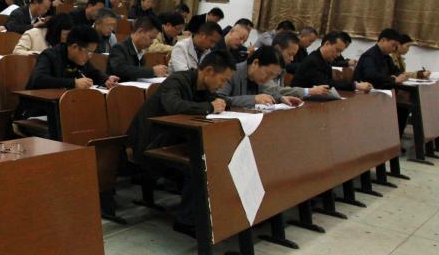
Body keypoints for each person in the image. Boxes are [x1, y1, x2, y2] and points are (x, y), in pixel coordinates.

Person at [127, 50, 235, 236]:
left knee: (216, 157)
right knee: (200, 165)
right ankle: (185, 220)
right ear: (209, 71)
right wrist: (209, 107)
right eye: (222, 80)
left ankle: (208, 213)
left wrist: (221, 103)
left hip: (174, 139)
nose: (222, 85)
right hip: (152, 144)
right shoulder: (177, 80)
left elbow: (213, 103)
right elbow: (174, 105)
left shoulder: (204, 89)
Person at [23, 26, 119, 106]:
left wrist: (106, 79)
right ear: (74, 47)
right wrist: (73, 83)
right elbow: (39, 79)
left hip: (66, 106)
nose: (90, 57)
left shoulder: (79, 58)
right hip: (39, 109)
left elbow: (93, 72)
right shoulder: (50, 55)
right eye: (89, 52)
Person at [217, 46, 304, 107]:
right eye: (268, 74)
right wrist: (254, 99)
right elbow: (219, 98)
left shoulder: (260, 78)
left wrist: (281, 98)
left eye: (273, 76)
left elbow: (268, 93)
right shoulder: (231, 73)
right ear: (255, 63)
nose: (268, 79)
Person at [291, 31, 371, 92]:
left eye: (341, 52)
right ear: (327, 44)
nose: (338, 55)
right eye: (337, 50)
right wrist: (355, 86)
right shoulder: (312, 60)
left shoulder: (324, 59)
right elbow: (326, 83)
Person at [265, 31, 329, 98]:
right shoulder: (264, 63)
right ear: (278, 49)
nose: (292, 59)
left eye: (293, 56)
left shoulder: (282, 68)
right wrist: (308, 91)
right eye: (290, 54)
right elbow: (272, 90)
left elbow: (278, 92)